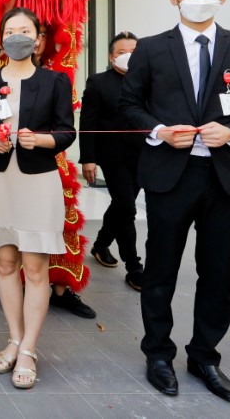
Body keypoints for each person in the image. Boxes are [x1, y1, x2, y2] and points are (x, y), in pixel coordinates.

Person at [119, 0, 230, 404]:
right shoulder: (150, 48)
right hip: (171, 174)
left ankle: (206, 356)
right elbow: (130, 105)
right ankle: (158, 354)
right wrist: (158, 131)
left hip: (225, 176)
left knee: (217, 273)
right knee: (161, 270)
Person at [0, 7, 76, 390]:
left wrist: (40, 139)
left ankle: (30, 348)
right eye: (10, 30)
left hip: (37, 180)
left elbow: (66, 132)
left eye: (25, 30)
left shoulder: (54, 82)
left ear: (37, 38)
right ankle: (14, 338)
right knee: (7, 262)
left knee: (35, 267)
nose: (18, 36)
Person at [79, 31, 145, 290]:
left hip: (144, 155)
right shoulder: (98, 82)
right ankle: (134, 266)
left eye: (133, 51)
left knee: (120, 205)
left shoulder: (150, 81)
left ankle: (101, 244)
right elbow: (88, 122)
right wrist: (88, 159)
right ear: (111, 56)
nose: (128, 56)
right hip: (112, 156)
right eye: (121, 52)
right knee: (127, 208)